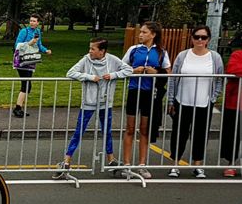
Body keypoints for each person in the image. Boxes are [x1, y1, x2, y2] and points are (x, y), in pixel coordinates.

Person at [52, 38, 132, 179]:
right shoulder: (86, 59)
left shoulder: (112, 60)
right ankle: (66, 161)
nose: (90, 51)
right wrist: (89, 77)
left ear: (102, 51)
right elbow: (70, 73)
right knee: (79, 132)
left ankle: (111, 160)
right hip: (88, 103)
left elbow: (128, 70)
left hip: (105, 103)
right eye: (89, 48)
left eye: (93, 49)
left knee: (107, 131)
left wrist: (113, 75)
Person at [167, 25, 223, 179]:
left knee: (200, 134)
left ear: (208, 40)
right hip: (182, 101)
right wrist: (171, 100)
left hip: (204, 103)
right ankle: (175, 164)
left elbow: (219, 79)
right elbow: (173, 78)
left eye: (203, 37)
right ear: (192, 38)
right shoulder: (182, 55)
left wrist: (213, 97)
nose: (200, 40)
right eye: (197, 37)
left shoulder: (215, 57)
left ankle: (198, 165)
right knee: (179, 134)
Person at [121, 21, 171, 179]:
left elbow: (168, 72)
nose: (140, 35)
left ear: (153, 35)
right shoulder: (133, 49)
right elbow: (121, 67)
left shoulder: (161, 52)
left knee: (144, 129)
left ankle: (142, 165)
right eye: (140, 32)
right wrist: (133, 70)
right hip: (134, 91)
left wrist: (155, 72)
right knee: (130, 128)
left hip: (150, 93)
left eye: (144, 32)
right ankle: (126, 164)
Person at [12, 14, 52, 118]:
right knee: (26, 84)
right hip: (22, 61)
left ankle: (19, 108)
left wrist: (46, 50)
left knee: (28, 85)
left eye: (34, 21)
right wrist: (30, 42)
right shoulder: (24, 31)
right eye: (31, 21)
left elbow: (39, 45)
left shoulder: (37, 32)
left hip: (31, 60)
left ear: (38, 23)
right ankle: (17, 109)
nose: (32, 23)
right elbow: (17, 45)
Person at [220, 34, 242, 177]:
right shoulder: (237, 54)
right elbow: (233, 69)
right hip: (235, 103)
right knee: (233, 134)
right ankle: (231, 163)